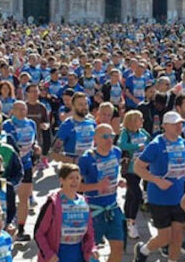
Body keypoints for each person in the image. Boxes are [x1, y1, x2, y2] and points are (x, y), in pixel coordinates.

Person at [134, 110, 185, 262]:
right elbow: (138, 167)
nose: (179, 127)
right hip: (159, 198)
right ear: (165, 126)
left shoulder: (184, 143)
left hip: (179, 197)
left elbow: (184, 165)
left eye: (180, 124)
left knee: (178, 236)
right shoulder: (156, 145)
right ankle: (143, 250)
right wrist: (157, 180)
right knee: (165, 237)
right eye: (174, 124)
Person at [78, 124, 125, 262]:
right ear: (95, 139)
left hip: (113, 207)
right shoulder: (86, 158)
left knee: (118, 247)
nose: (109, 139)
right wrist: (97, 186)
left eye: (111, 136)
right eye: (105, 136)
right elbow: (76, 186)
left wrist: (120, 181)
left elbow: (116, 174)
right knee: (90, 251)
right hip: (93, 211)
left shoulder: (116, 152)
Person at [34, 163, 97, 262]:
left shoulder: (84, 201)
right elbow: (39, 233)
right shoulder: (52, 203)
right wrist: (49, 254)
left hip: (78, 255)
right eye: (71, 178)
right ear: (62, 180)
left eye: (77, 177)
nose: (75, 181)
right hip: (58, 255)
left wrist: (92, 249)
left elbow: (89, 233)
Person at [1, 100, 40, 241]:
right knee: (7, 199)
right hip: (11, 166)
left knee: (24, 198)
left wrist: (35, 147)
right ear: (12, 110)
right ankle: (5, 227)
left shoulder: (31, 123)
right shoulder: (7, 125)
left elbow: (34, 140)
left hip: (27, 164)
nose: (22, 112)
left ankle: (21, 230)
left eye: (24, 109)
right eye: (18, 109)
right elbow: (7, 144)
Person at [117, 110, 150, 240]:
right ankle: (132, 222)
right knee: (136, 194)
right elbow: (121, 144)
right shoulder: (126, 133)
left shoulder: (143, 132)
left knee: (131, 195)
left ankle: (126, 219)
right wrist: (137, 146)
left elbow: (151, 142)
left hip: (140, 169)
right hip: (129, 170)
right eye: (139, 119)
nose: (142, 121)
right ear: (132, 121)